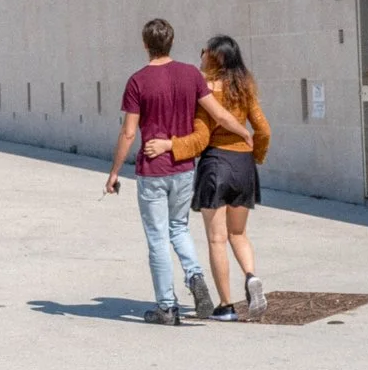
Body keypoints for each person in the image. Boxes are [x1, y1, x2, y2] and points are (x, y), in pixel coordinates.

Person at [103, 19, 250, 324]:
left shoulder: (138, 81)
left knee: (158, 238)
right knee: (179, 229)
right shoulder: (190, 75)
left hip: (152, 171)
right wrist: (245, 133)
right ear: (171, 42)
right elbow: (219, 114)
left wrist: (114, 171)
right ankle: (194, 273)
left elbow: (129, 132)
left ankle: (167, 307)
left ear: (145, 45)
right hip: (183, 169)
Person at [152, 35, 271, 320]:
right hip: (244, 165)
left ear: (213, 58)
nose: (201, 54)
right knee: (239, 233)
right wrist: (255, 155)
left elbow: (200, 139)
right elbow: (264, 130)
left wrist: (171, 146)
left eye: (204, 51)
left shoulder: (206, 91)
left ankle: (226, 306)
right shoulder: (245, 88)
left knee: (217, 239)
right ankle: (251, 276)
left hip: (216, 166)